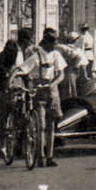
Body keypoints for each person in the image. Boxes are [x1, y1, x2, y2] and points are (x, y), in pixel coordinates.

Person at [21, 28, 70, 166]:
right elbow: (24, 69)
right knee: (41, 125)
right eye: (53, 43)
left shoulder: (56, 55)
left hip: (52, 91)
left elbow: (61, 74)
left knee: (51, 125)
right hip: (39, 91)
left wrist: (54, 83)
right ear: (46, 43)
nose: (55, 46)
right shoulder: (36, 55)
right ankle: (40, 156)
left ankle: (50, 156)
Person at [0, 32, 25, 154]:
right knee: (17, 115)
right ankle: (15, 145)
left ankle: (0, 145)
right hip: (16, 85)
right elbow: (22, 71)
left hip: (1, 87)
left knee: (3, 117)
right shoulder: (17, 58)